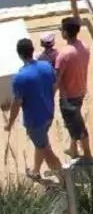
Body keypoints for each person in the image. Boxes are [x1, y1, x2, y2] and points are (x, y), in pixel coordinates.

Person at [4, 38, 64, 181]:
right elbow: (55, 84)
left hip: (35, 122)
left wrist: (10, 124)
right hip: (48, 114)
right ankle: (36, 171)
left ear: (19, 54)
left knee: (45, 148)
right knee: (41, 145)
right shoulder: (46, 66)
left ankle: (63, 177)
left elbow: (16, 104)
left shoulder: (20, 78)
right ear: (32, 50)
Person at [55, 16, 92, 161]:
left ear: (65, 32)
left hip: (68, 96)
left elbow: (57, 79)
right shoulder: (85, 47)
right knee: (73, 122)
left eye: (61, 29)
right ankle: (73, 149)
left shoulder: (63, 55)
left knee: (78, 125)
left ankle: (87, 154)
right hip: (81, 90)